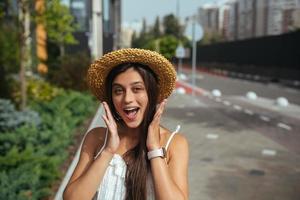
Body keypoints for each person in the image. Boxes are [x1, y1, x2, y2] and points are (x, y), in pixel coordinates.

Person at [63, 48, 189, 200]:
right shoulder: (97, 138)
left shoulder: (174, 143)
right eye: (118, 91)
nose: (127, 98)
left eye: (137, 89)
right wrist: (108, 151)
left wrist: (154, 150)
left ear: (152, 93)